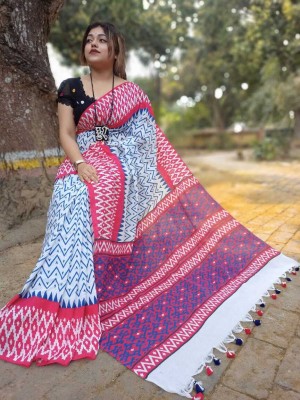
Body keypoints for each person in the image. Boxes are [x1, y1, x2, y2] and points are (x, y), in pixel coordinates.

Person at [0, 21, 298, 398]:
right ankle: (69, 295)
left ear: (114, 50)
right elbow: (66, 134)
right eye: (88, 40)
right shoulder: (71, 87)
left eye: (101, 40)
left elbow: (146, 143)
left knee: (114, 189)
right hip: (82, 162)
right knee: (74, 197)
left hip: (124, 170)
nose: (93, 44)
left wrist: (122, 167)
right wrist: (80, 164)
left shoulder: (130, 92)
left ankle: (115, 270)